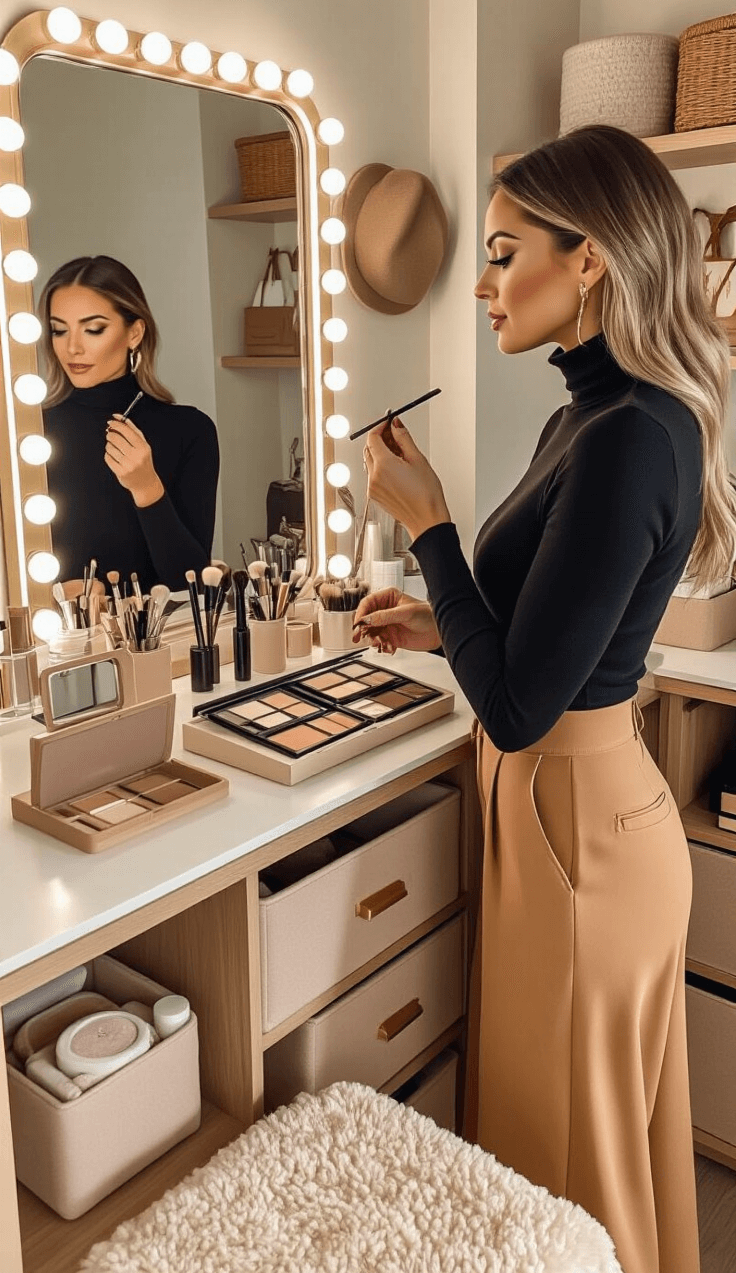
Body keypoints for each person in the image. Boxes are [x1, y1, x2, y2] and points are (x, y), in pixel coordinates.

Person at [353, 123, 735, 1273]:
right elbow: (552, 637)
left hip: (576, 828)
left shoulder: (626, 436)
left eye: (506, 250)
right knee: (571, 1138)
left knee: (567, 1158)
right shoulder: (594, 416)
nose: (481, 282)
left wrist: (426, 528)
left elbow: (520, 707)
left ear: (591, 260)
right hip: (567, 811)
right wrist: (441, 617)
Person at [39, 255, 219, 592]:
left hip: (159, 642)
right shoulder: (30, 438)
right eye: (58, 330)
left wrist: (146, 487)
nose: (73, 347)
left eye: (93, 329)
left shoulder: (190, 431)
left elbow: (190, 584)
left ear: (134, 332)